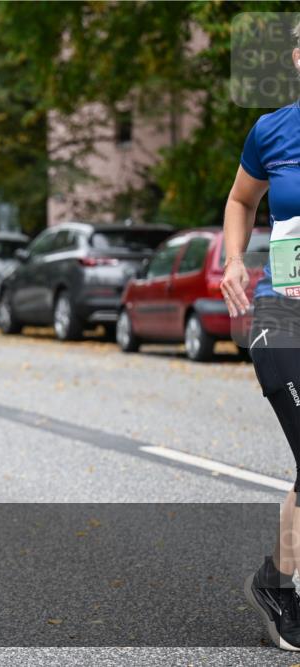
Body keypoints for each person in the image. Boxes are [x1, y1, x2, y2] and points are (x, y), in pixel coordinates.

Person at [223, 21, 300, 652]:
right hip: (283, 316)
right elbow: (241, 201)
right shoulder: (271, 130)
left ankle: (276, 583)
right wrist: (231, 259)